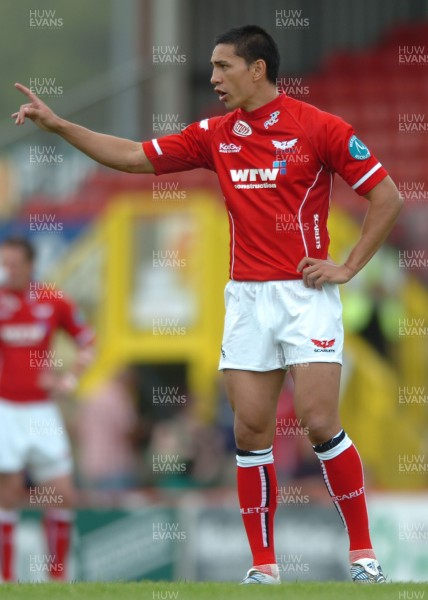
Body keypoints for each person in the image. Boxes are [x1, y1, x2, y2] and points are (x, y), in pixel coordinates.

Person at [12, 25, 402, 584]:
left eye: (223, 67)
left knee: (319, 422)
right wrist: (60, 126)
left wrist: (347, 266)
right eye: (213, 68)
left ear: (257, 69)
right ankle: (263, 568)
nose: (214, 78)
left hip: (306, 295)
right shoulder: (214, 134)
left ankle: (365, 558)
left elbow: (385, 196)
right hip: (246, 298)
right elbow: (130, 156)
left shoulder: (320, 127)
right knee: (249, 433)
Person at [0, 237, 94, 581]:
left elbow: (87, 341)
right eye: (2, 262)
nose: (5, 270)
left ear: (29, 266)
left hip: (42, 410)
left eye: (12, 263)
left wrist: (69, 379)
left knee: (63, 492)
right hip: (5, 410)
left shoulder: (53, 301)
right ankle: (5, 581)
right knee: (7, 491)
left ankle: (58, 579)